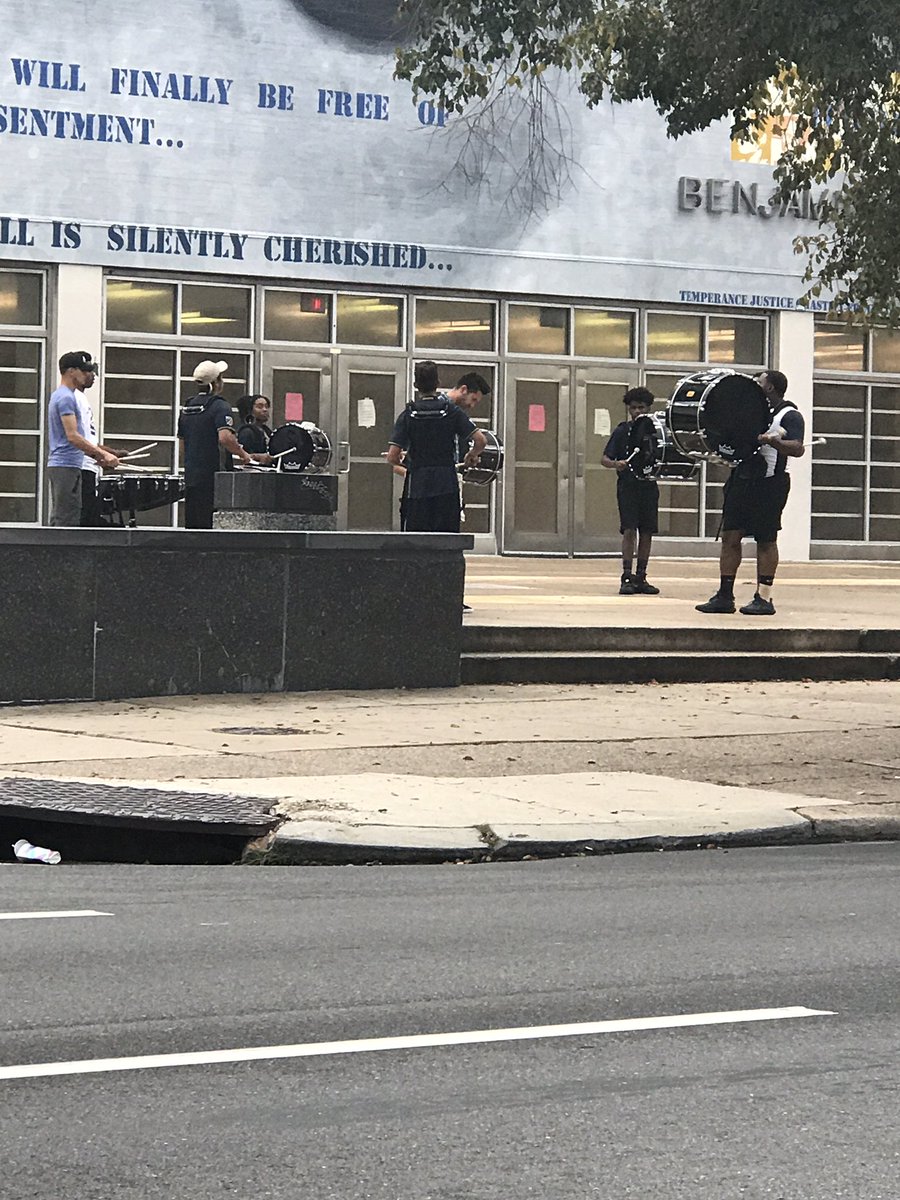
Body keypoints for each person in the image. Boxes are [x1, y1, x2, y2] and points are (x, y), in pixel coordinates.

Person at [696, 369, 805, 616]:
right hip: (742, 480)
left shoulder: (789, 414)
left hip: (770, 483)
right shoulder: (749, 411)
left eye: (759, 382)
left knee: (766, 539)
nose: (754, 385)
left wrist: (774, 441)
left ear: (770, 387)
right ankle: (725, 595)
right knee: (730, 536)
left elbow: (798, 448)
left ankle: (763, 597)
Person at [386, 360, 486, 533]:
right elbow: (481, 440)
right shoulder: (452, 412)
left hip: (418, 486)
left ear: (416, 385)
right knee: (447, 537)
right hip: (446, 484)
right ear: (438, 383)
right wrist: (471, 455)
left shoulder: (408, 414)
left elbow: (392, 457)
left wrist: (407, 460)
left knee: (417, 537)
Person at [46, 350, 119, 526]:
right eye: (84, 370)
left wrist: (101, 453)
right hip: (65, 464)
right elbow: (73, 436)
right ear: (71, 371)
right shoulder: (65, 397)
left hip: (70, 464)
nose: (87, 374)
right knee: (66, 519)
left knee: (68, 516)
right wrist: (102, 455)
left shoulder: (65, 396)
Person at [177, 360, 252, 529]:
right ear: (216, 382)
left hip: (192, 476)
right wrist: (243, 454)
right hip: (215, 476)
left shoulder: (187, 407)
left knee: (194, 525)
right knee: (212, 525)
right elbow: (225, 438)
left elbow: (182, 445)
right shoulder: (220, 406)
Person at [601, 387, 661, 595]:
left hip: (648, 485)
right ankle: (626, 575)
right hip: (628, 485)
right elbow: (604, 458)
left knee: (647, 531)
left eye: (641, 408)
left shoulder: (654, 432)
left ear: (648, 408)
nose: (637, 412)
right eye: (633, 408)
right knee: (629, 529)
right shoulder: (622, 431)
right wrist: (616, 464)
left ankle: (641, 576)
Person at [75, 365, 121, 526]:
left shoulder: (81, 399)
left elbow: (88, 439)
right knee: (86, 520)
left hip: (89, 467)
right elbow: (75, 438)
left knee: (92, 517)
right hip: (81, 467)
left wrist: (111, 452)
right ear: (75, 372)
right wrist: (102, 456)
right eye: (89, 371)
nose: (93, 375)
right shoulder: (73, 398)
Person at [236, 394, 274, 463]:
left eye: (266, 406)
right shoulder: (246, 432)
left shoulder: (267, 431)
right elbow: (240, 457)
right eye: (260, 407)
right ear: (250, 410)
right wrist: (258, 457)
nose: (265, 409)